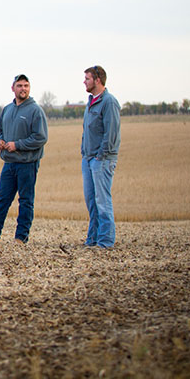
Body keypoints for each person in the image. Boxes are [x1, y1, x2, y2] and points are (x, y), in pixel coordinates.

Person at [0, 74, 48, 244]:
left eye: (26, 85)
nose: (23, 89)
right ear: (13, 88)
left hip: (27, 163)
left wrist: (17, 145)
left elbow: (40, 137)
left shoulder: (35, 110)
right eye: (20, 85)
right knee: (2, 200)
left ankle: (21, 237)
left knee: (25, 201)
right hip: (9, 163)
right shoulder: (8, 109)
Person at [81, 65, 121, 248]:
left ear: (97, 80)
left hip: (102, 160)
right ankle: (93, 239)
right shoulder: (91, 102)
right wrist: (85, 153)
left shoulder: (109, 102)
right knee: (92, 201)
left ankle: (105, 241)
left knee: (102, 201)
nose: (84, 82)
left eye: (87, 78)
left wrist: (100, 157)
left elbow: (110, 133)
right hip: (88, 158)